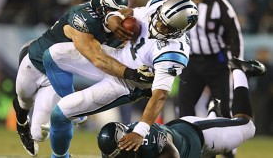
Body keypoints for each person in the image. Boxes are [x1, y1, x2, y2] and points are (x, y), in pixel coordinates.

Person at [42, 0, 198, 158]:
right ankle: (78, 112)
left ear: (179, 31)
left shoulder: (173, 53)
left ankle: (60, 156)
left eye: (166, 27)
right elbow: (128, 12)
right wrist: (114, 19)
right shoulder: (157, 4)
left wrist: (140, 131)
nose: (158, 26)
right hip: (117, 57)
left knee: (60, 113)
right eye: (159, 19)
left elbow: (160, 95)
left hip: (128, 84)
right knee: (54, 54)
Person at [12, 0, 146, 156]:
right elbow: (97, 58)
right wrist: (131, 74)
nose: (117, 17)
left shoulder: (119, 27)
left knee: (39, 134)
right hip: (35, 62)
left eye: (120, 11)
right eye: (113, 11)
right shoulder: (82, 17)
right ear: (100, 9)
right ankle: (21, 124)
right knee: (23, 102)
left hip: (54, 76)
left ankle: (64, 127)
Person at [97, 57, 267, 158]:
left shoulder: (151, 141)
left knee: (247, 125)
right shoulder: (112, 148)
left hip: (202, 136)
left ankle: (239, 71)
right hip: (188, 141)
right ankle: (213, 113)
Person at [177, 0, 244, 125]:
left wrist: (236, 66)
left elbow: (234, 36)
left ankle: (226, 145)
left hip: (216, 63)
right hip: (191, 63)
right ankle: (189, 143)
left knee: (222, 108)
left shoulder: (219, 3)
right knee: (184, 106)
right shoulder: (180, 3)